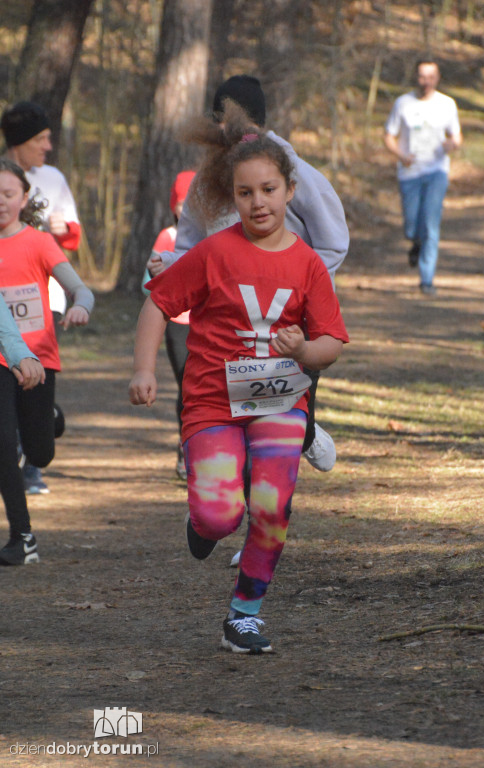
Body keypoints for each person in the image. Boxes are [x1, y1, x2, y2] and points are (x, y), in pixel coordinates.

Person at [129, 107, 349, 653]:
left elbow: (333, 343)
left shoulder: (309, 266)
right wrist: (144, 369)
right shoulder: (213, 253)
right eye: (246, 193)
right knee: (219, 514)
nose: (259, 203)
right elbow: (158, 304)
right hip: (212, 403)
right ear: (232, 198)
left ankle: (244, 614)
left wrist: (305, 349)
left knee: (272, 505)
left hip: (279, 401)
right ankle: (202, 525)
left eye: (269, 190)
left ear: (290, 191)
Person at [156, 75, 349, 475]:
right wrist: (171, 269)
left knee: (288, 402)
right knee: (236, 416)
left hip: (290, 313)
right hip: (229, 317)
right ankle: (221, 492)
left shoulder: (294, 171)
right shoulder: (208, 180)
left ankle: (306, 431)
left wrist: (299, 281)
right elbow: (188, 247)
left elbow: (333, 241)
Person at [0, 159, 94, 565]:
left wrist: (80, 307)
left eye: (7, 194)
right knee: (3, 445)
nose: (0, 202)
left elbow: (80, 289)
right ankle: (22, 538)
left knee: (39, 453)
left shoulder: (38, 242)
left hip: (39, 359)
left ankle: (49, 417)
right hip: (2, 359)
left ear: (23, 198)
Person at [1, 100, 82, 493]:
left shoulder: (53, 178)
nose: (47, 147)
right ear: (19, 143)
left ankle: (36, 455)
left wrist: (61, 228)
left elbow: (74, 237)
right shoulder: (4, 176)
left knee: (32, 387)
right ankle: (19, 469)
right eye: (40, 139)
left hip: (45, 295)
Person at [384, 58, 462, 296]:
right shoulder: (403, 103)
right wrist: (401, 155)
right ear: (416, 77)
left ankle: (426, 279)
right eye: (422, 76)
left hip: (437, 172)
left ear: (437, 78)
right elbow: (388, 136)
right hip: (410, 173)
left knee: (431, 224)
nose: (426, 82)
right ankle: (415, 243)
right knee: (411, 226)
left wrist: (451, 144)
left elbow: (457, 137)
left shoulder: (447, 104)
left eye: (431, 77)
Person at [142, 170, 196, 480]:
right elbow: (146, 283)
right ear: (173, 204)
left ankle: (193, 443)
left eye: (193, 202)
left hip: (204, 319)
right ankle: (184, 444)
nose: (186, 209)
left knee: (197, 384)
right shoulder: (168, 237)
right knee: (187, 384)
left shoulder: (211, 236)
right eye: (181, 202)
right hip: (177, 321)